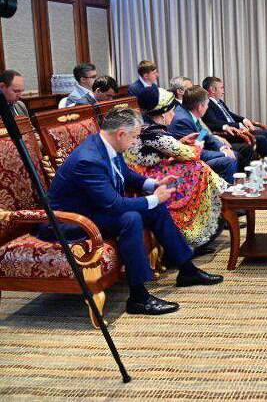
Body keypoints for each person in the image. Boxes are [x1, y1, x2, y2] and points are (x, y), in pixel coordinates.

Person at [46, 107, 223, 315]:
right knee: (130, 218)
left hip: (95, 209)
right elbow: (115, 205)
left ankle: (187, 270)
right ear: (121, 133)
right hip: (71, 221)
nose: (135, 142)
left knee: (155, 208)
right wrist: (154, 198)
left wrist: (153, 183)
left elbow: (125, 174)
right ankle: (139, 298)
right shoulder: (89, 160)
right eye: (134, 137)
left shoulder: (107, 145)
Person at [126, 86, 227, 250]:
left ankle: (220, 206)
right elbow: (189, 154)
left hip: (150, 170)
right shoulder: (154, 133)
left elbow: (167, 149)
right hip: (145, 177)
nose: (174, 115)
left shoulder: (148, 127)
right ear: (162, 114)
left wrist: (182, 142)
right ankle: (195, 232)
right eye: (172, 111)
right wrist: (197, 145)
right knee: (197, 167)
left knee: (197, 167)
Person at [169, 85, 250, 183]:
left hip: (199, 151)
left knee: (235, 154)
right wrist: (224, 153)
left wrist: (222, 148)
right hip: (190, 163)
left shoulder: (189, 114)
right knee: (230, 159)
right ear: (200, 107)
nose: (207, 107)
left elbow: (204, 134)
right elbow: (193, 152)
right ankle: (226, 190)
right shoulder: (182, 120)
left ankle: (237, 184)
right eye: (207, 104)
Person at [201, 76, 267, 170]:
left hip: (238, 130)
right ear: (212, 90)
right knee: (262, 139)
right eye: (221, 88)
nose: (223, 91)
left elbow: (229, 114)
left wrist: (243, 120)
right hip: (231, 134)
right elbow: (214, 123)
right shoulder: (207, 104)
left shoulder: (219, 102)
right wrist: (238, 125)